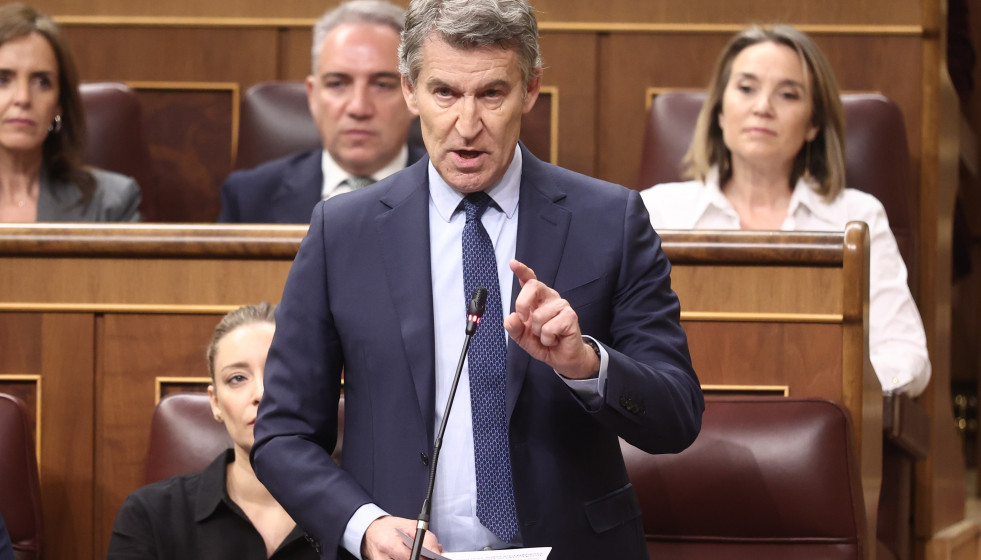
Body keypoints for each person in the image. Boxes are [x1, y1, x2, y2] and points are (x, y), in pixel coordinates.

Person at [251, 0, 703, 559]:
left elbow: (677, 416)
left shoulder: (609, 220)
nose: (467, 126)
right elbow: (282, 435)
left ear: (531, 89)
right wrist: (362, 526)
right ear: (411, 91)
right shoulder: (342, 232)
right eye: (444, 93)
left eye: (491, 93)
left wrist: (586, 363)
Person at [640, 25, 930, 396]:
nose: (763, 107)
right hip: (682, 421)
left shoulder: (857, 216)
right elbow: (625, 342)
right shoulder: (656, 210)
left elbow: (907, 357)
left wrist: (843, 387)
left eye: (788, 94)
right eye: (746, 88)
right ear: (719, 112)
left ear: (813, 123)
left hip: (815, 417)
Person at [107, 304, 318, 559]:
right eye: (237, 378)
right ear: (215, 402)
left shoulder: (363, 515)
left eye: (279, 372)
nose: (261, 393)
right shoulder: (150, 514)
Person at [218, 0, 424, 223]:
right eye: (337, 84)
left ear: (412, 94)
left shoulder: (453, 189)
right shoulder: (248, 197)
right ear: (312, 95)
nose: (358, 108)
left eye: (382, 85)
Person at [0, 3, 141, 222]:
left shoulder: (110, 203)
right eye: (3, 80)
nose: (23, 98)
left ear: (59, 105)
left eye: (42, 82)